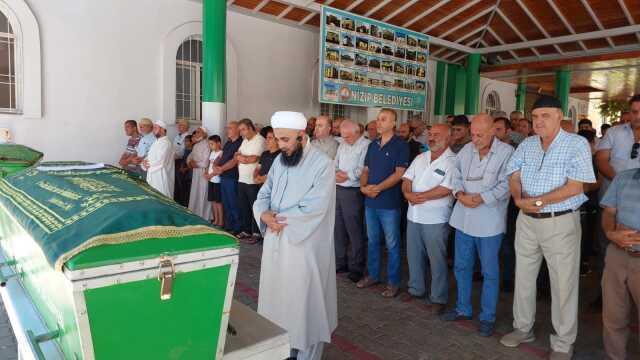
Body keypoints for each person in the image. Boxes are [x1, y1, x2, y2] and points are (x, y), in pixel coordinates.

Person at [500, 96, 596, 359]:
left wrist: (538, 201)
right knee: (524, 276)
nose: (539, 121)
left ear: (559, 115)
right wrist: (519, 199)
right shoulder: (528, 144)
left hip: (560, 221)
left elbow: (576, 186)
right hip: (527, 220)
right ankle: (523, 328)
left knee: (563, 284)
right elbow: (514, 173)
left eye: (546, 115)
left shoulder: (576, 144)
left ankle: (563, 343)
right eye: (536, 116)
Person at [253, 111, 337, 360]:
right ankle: (282, 349)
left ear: (301, 136)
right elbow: (264, 193)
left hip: (304, 248)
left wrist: (276, 219)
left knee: (305, 305)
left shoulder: (322, 164)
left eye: (286, 140)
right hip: (276, 242)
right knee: (278, 301)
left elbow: (314, 208)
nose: (281, 146)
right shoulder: (280, 161)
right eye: (277, 139)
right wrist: (263, 214)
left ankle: (306, 354)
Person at [442, 114, 514, 337]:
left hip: (489, 222)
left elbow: (507, 185)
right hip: (463, 218)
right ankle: (463, 308)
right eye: (472, 134)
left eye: (480, 135)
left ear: (493, 131)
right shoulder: (466, 150)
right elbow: (455, 176)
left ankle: (487, 317)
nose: (475, 139)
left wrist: (482, 198)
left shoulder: (507, 153)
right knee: (462, 267)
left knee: (489, 272)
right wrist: (460, 194)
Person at [402, 124, 456, 315]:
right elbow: (407, 178)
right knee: (414, 255)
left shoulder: (452, 161)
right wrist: (408, 193)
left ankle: (438, 298)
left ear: (448, 138)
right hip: (414, 215)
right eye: (431, 134)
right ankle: (416, 289)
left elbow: (446, 189)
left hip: (435, 218)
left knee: (437, 259)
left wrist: (419, 197)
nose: (432, 138)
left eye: (437, 135)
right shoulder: (420, 157)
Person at [356, 108, 409, 298]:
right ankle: (373, 275)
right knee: (372, 241)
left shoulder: (400, 145)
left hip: (389, 203)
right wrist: (363, 187)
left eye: (383, 119)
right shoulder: (373, 145)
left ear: (393, 123)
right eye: (378, 119)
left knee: (392, 244)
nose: (379, 122)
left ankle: (393, 282)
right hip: (370, 201)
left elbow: (399, 173)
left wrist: (377, 188)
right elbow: (366, 169)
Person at [599, 168, 640, 360]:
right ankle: (615, 357)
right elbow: (608, 212)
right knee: (613, 316)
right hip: (617, 254)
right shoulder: (624, 177)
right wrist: (610, 233)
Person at [334, 119, 370, 283]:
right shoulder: (343, 144)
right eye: (343, 136)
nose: (345, 139)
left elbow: (363, 169)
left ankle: (357, 267)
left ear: (357, 132)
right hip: (338, 188)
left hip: (353, 191)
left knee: (354, 231)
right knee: (338, 228)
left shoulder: (366, 145)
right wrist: (336, 173)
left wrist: (347, 175)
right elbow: (335, 163)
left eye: (347, 136)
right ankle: (340, 262)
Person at [236, 118, 266, 243]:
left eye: (243, 129)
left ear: (250, 127)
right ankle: (246, 230)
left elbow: (254, 159)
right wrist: (243, 157)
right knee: (244, 207)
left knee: (254, 207)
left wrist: (242, 158)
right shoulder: (244, 141)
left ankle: (256, 233)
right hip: (242, 179)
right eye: (240, 130)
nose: (241, 133)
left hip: (253, 181)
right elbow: (236, 155)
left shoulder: (259, 140)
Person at [214, 121, 243, 235]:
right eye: (227, 128)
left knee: (233, 203)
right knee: (226, 202)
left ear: (237, 130)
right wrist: (215, 165)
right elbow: (220, 156)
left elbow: (234, 161)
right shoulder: (228, 143)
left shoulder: (240, 143)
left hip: (232, 177)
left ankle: (237, 227)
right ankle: (229, 225)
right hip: (224, 177)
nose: (227, 130)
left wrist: (221, 169)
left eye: (230, 128)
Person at [142, 120, 175, 198]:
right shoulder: (156, 142)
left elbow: (161, 161)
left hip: (161, 177)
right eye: (153, 128)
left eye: (155, 128)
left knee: (162, 199)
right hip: (152, 175)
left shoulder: (166, 143)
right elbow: (149, 156)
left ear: (163, 129)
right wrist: (143, 163)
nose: (153, 130)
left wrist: (147, 164)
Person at [187, 127, 212, 220]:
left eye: (198, 132)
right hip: (195, 172)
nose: (196, 134)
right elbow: (190, 157)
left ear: (204, 134)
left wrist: (195, 164)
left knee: (202, 193)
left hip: (203, 172)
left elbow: (205, 162)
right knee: (195, 193)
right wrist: (190, 162)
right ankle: (195, 213)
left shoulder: (207, 145)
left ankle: (204, 215)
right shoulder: (196, 145)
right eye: (196, 132)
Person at [205, 135, 224, 228]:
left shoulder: (221, 153)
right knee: (212, 201)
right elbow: (209, 165)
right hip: (211, 180)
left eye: (212, 144)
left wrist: (210, 175)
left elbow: (217, 168)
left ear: (219, 143)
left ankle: (220, 221)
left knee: (218, 202)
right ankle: (216, 219)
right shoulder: (212, 152)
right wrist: (206, 174)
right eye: (209, 144)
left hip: (217, 180)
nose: (210, 146)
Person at [173, 118, 191, 206]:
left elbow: (182, 151)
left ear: (186, 127)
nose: (179, 127)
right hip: (174, 161)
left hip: (182, 162)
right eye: (179, 125)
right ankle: (177, 201)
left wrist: (174, 155)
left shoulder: (187, 137)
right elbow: (174, 148)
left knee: (181, 183)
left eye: (182, 125)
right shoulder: (177, 136)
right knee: (176, 183)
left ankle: (183, 203)